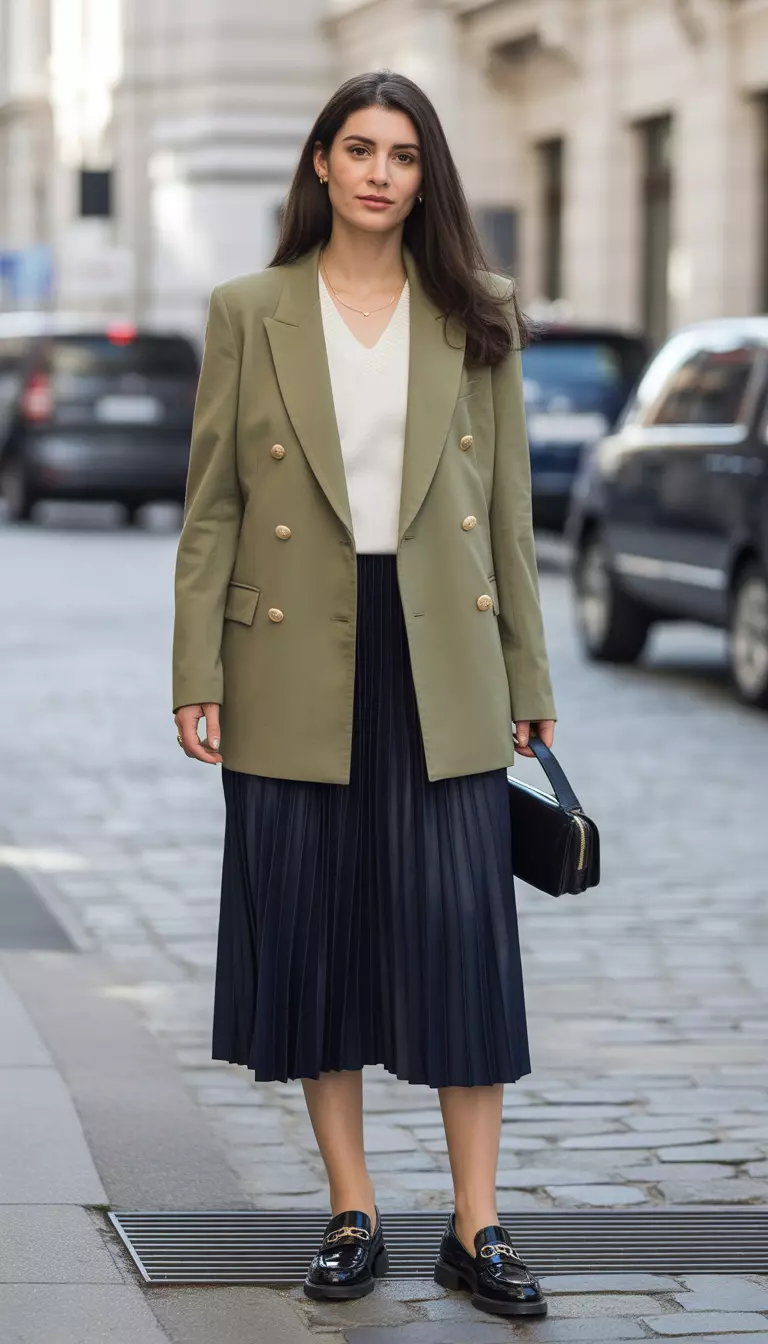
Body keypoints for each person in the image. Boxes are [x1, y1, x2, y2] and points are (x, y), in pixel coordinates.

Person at [172, 69, 556, 1320]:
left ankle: (478, 1228)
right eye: (360, 149)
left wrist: (531, 678)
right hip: (290, 653)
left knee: (462, 938)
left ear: (424, 176)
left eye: (404, 154)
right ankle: (353, 1213)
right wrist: (196, 672)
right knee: (314, 933)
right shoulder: (251, 308)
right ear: (322, 165)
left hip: (443, 650)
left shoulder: (476, 311)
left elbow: (508, 514)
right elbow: (213, 505)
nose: (382, 172)